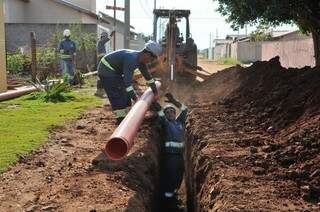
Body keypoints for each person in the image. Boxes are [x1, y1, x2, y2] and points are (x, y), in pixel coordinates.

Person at [97, 40, 162, 124]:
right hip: (106, 69)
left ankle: (127, 116)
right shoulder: (131, 59)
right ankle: (120, 120)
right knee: (117, 94)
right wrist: (135, 98)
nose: (150, 62)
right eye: (152, 59)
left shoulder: (140, 61)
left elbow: (148, 77)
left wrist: (155, 92)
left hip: (115, 72)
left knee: (126, 94)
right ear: (147, 54)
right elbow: (127, 83)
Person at [152, 93, 188, 207]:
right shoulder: (166, 123)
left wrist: (173, 100)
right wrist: (154, 102)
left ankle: (173, 195)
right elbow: (160, 113)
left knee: (178, 178)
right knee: (171, 178)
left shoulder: (179, 122)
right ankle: (168, 201)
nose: (170, 113)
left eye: (172, 111)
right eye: (168, 112)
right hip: (170, 157)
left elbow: (185, 109)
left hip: (179, 157)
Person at [95, 31, 113, 97]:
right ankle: (99, 91)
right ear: (103, 37)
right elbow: (99, 55)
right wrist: (105, 55)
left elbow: (107, 39)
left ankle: (100, 91)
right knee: (100, 76)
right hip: (100, 62)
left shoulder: (101, 43)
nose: (106, 39)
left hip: (102, 62)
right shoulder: (100, 43)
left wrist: (112, 34)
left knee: (101, 76)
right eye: (105, 37)